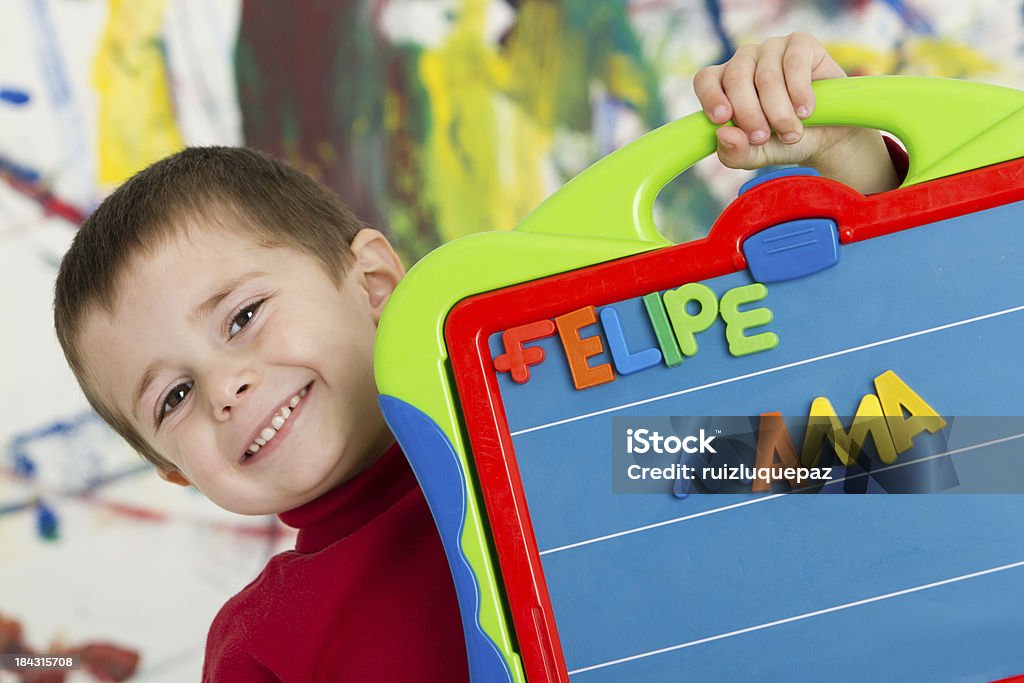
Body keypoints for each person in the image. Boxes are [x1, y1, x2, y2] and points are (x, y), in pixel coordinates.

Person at [51, 33, 901, 682]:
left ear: (377, 285)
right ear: (173, 470)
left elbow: (879, 441)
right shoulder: (261, 647)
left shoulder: (590, 424)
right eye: (171, 399)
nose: (225, 387)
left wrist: (836, 147)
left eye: (242, 315)